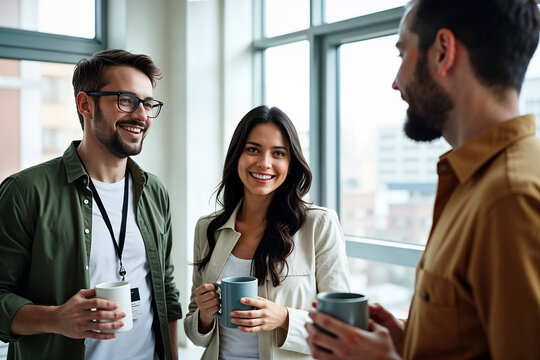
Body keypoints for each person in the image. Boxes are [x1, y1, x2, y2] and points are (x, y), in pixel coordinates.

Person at [306, 0, 540, 359]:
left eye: (402, 54)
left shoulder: (510, 197)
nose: (396, 82)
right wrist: (409, 342)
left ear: (443, 51)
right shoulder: (475, 182)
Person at [0, 49, 182, 359]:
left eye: (148, 104)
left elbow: (166, 292)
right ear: (86, 104)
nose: (141, 115)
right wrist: (57, 319)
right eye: (126, 100)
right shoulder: (25, 192)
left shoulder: (155, 192)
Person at [184, 105, 350, 359]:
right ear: (237, 155)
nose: (264, 163)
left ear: (291, 162)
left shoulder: (319, 225)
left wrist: (284, 318)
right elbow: (195, 334)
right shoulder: (208, 228)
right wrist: (204, 315)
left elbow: (341, 329)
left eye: (278, 153)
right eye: (253, 149)